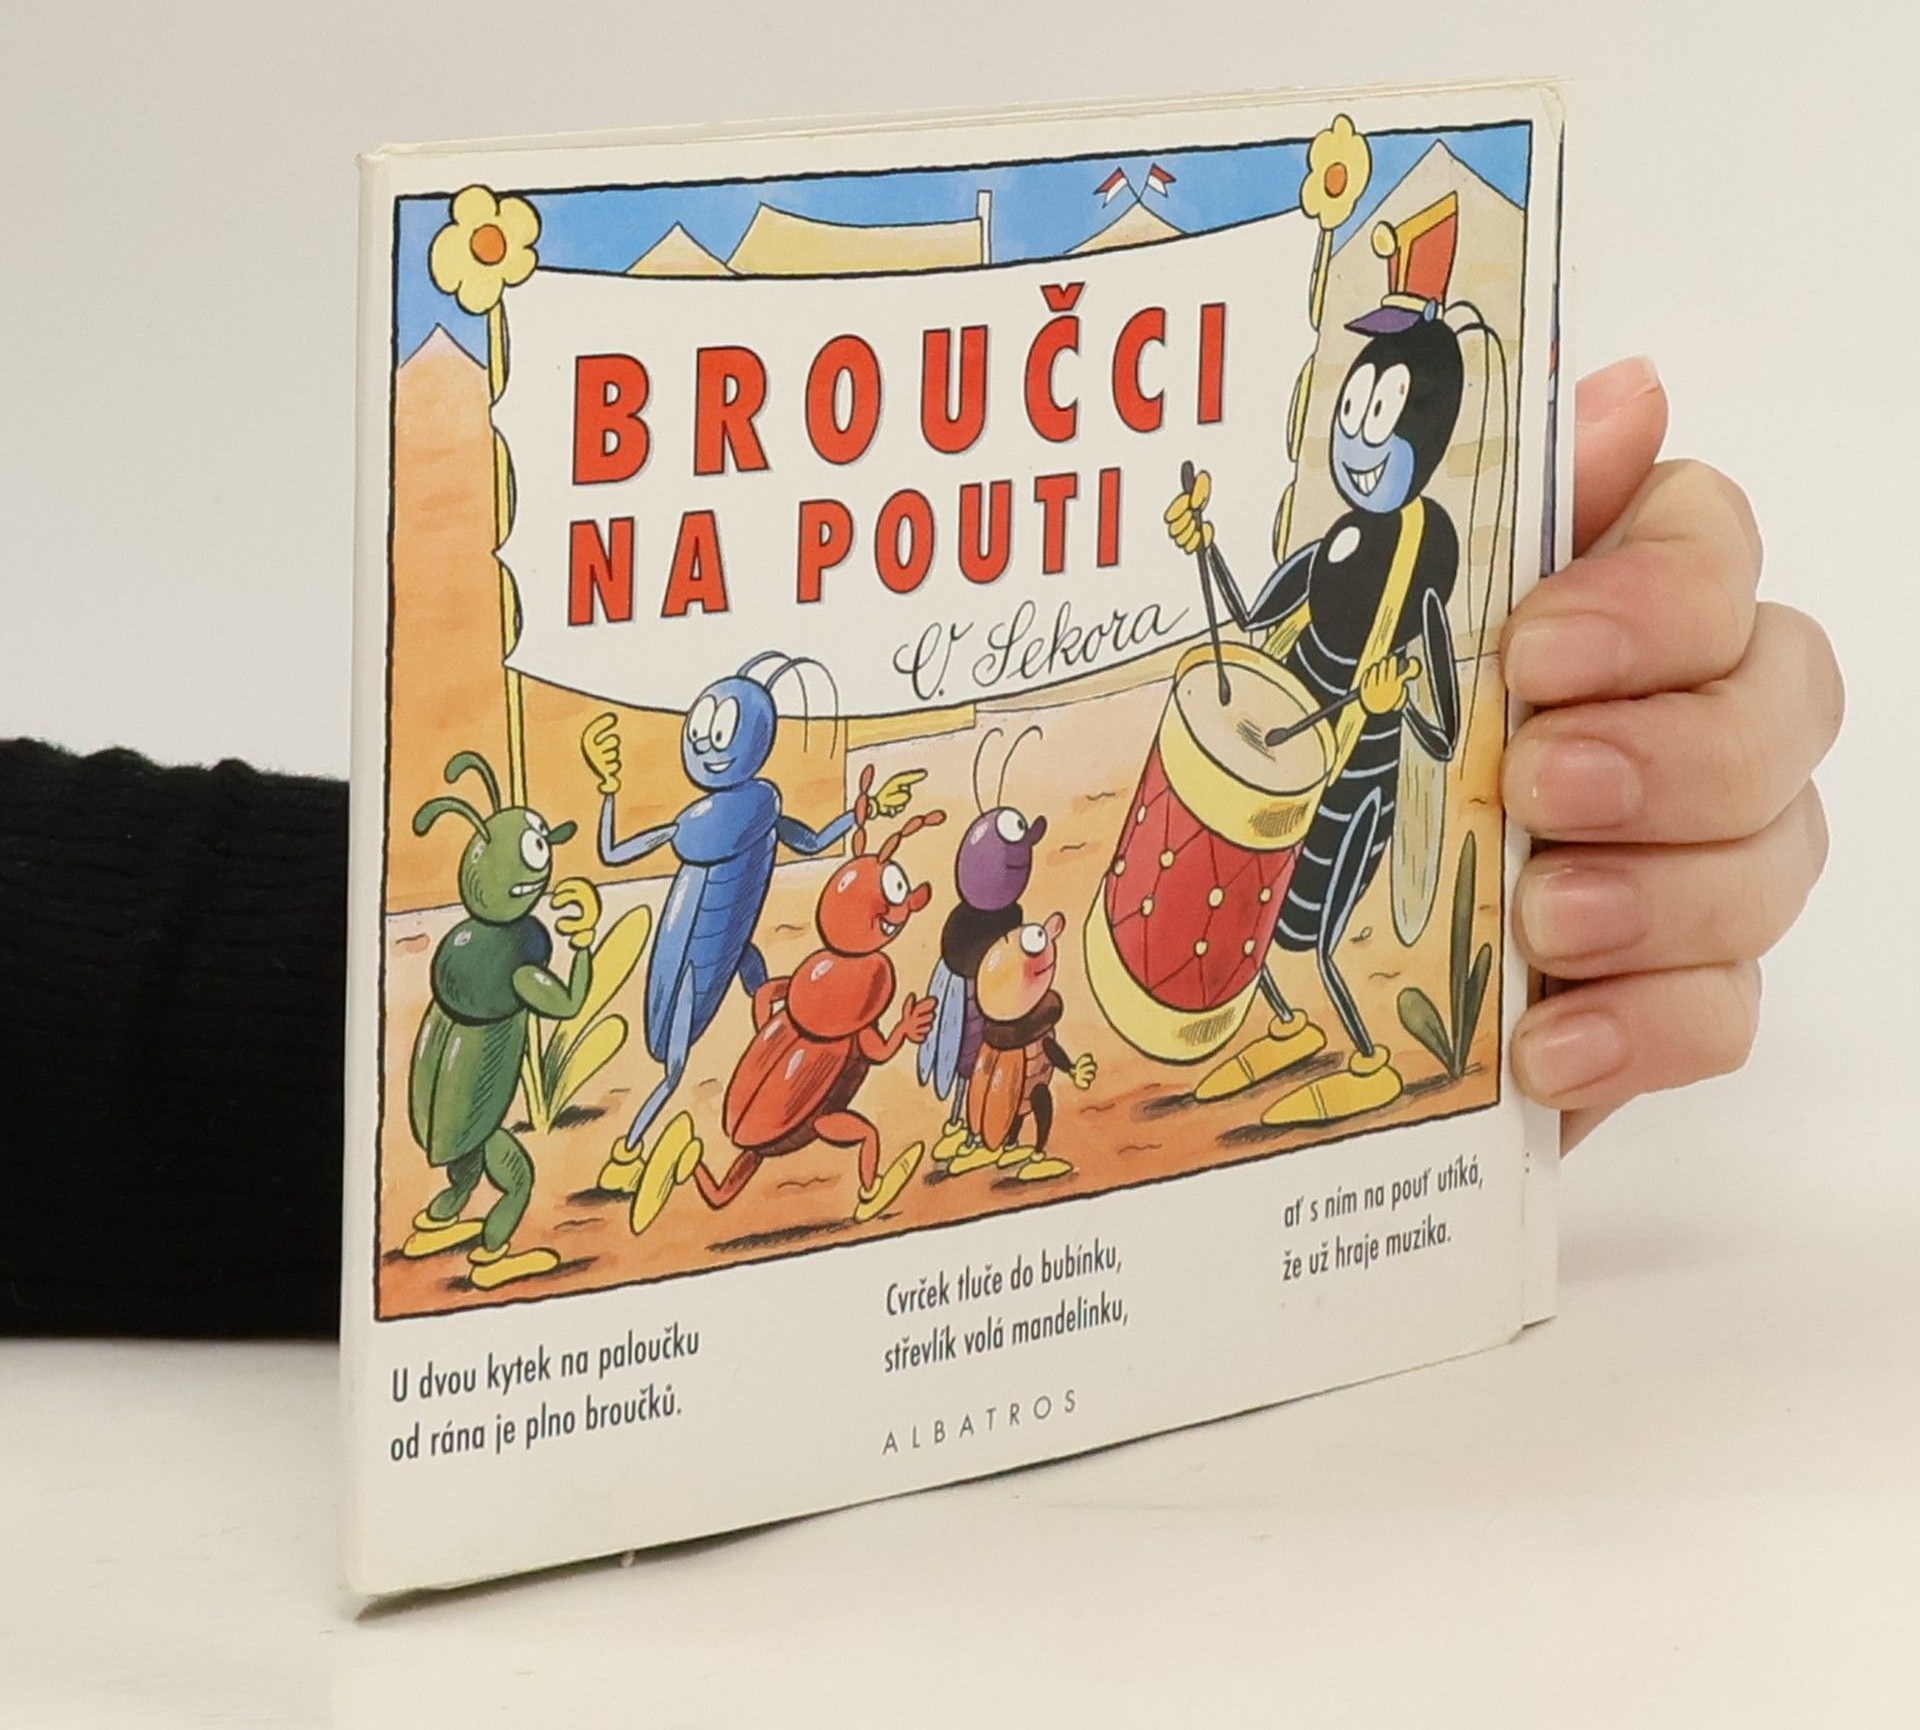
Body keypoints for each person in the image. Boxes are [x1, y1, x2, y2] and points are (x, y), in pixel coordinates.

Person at [0, 360, 1843, 1336]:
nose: (1366, 443)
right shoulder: (787, 856)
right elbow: (1257, 611)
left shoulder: (1423, 551)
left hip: (1331, 782)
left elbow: (1415, 679)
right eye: (1349, 413)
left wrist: (1505, 710)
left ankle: (1330, 1045)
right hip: (872, 957)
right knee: (1235, 945)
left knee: (1295, 939)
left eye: (1388, 419)